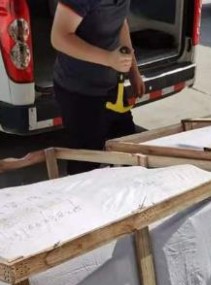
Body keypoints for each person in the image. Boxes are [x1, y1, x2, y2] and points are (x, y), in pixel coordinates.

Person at [51, 0, 145, 175]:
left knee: (127, 151)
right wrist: (108, 58)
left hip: (110, 86)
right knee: (86, 163)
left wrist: (134, 72)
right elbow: (59, 37)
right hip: (78, 91)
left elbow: (121, 23)